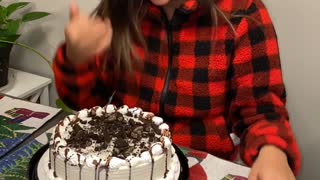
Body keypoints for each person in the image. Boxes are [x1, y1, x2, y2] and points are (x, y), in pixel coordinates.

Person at [53, 0, 301, 179]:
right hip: (120, 165)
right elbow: (84, 104)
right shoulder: (119, 10)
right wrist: (76, 59)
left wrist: (272, 151)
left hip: (203, 163)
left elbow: (262, 109)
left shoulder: (244, 14)